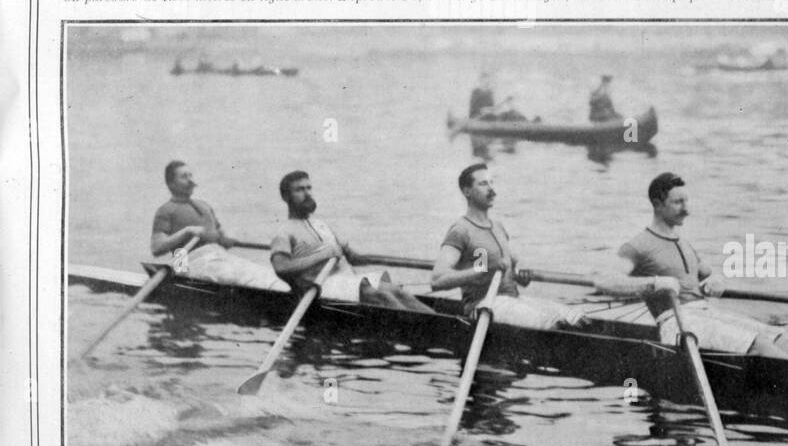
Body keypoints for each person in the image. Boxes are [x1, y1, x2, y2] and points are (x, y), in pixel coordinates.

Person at [595, 172, 788, 361]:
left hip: (706, 314)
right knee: (759, 343)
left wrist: (716, 280)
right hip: (677, 323)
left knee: (779, 336)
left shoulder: (684, 243)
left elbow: (709, 274)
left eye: (687, 201)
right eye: (678, 202)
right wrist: (656, 283)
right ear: (657, 204)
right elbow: (603, 280)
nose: (687, 209)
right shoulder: (638, 245)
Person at [431, 164, 580, 329]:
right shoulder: (460, 230)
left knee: (578, 319)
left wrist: (522, 270)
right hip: (482, 306)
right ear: (467, 192)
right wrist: (478, 271)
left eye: (492, 183)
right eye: (483, 184)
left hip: (511, 300)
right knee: (553, 325)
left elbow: (513, 263)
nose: (491, 189)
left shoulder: (498, 226)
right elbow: (437, 280)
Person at [270, 170, 431, 311]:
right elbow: (281, 267)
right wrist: (323, 254)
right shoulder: (284, 232)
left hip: (347, 280)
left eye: (309, 188)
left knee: (398, 291)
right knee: (382, 296)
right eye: (300, 189)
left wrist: (358, 254)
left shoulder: (321, 225)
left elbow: (354, 259)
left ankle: (435, 324)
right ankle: (423, 331)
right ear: (286, 196)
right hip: (320, 287)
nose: (307, 193)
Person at [150, 161, 284, 289]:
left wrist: (225, 239)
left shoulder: (204, 206)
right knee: (239, 275)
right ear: (171, 184)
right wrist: (187, 231)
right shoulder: (165, 210)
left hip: (215, 256)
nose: (191, 180)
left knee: (263, 272)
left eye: (191, 175)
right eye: (184, 177)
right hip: (184, 262)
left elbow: (220, 236)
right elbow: (157, 247)